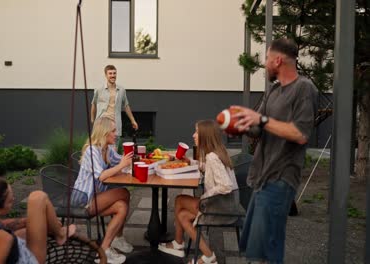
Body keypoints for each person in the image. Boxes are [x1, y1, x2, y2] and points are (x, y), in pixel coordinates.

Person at [233, 38, 318, 263]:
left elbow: (300, 134)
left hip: (281, 178)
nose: (265, 64)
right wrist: (238, 127)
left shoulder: (304, 88)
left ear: (278, 60)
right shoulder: (273, 90)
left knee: (268, 250)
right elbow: (258, 128)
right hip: (261, 177)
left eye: (267, 59)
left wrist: (260, 119)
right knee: (256, 248)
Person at [158, 120, 240, 264]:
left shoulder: (212, 157)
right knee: (183, 215)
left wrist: (204, 197)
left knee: (179, 200)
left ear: (205, 135)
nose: (193, 135)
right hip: (229, 204)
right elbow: (207, 167)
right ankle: (208, 256)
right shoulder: (218, 151)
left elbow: (225, 185)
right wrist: (190, 162)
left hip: (222, 208)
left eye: (197, 132)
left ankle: (178, 244)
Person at [0, 177, 77, 264]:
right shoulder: (3, 239)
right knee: (39, 197)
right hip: (28, 260)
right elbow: (1, 239)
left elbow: (1, 225)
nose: (14, 199)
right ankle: (61, 235)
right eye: (10, 201)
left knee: (35, 204)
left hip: (10, 250)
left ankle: (55, 230)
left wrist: (28, 222)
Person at [74, 117, 134, 264]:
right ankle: (113, 242)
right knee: (124, 193)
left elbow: (121, 163)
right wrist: (122, 166)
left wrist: (131, 160)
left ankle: (107, 247)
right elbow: (101, 177)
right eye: (113, 131)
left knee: (122, 206)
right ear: (104, 132)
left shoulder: (108, 150)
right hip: (83, 200)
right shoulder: (92, 151)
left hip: (97, 198)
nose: (116, 134)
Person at [91, 65, 138, 148]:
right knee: (99, 149)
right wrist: (92, 120)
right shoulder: (99, 89)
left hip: (115, 125)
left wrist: (133, 120)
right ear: (106, 75)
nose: (113, 75)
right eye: (110, 73)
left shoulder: (121, 90)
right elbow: (93, 104)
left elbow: (126, 105)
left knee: (114, 150)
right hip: (102, 125)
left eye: (114, 73)